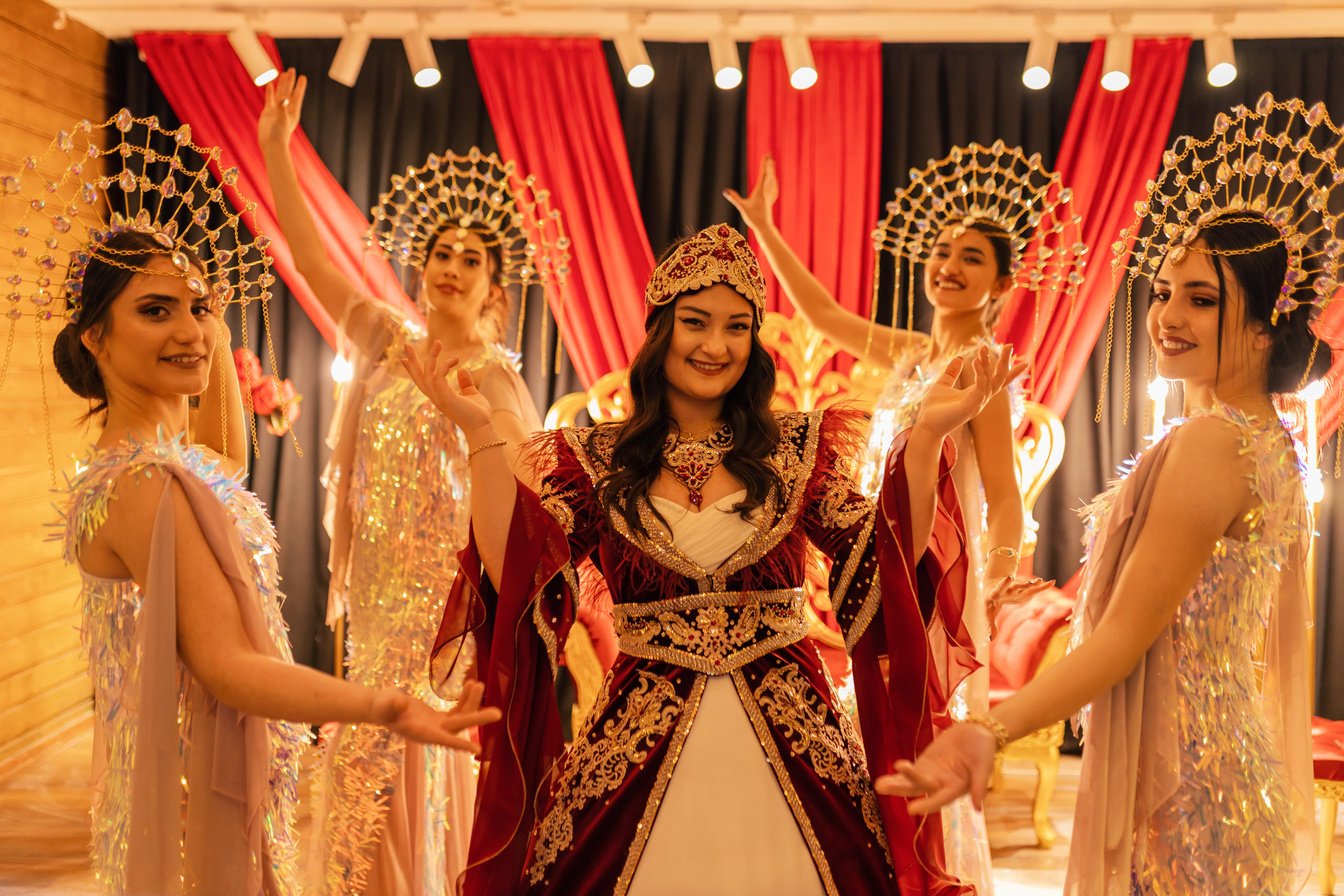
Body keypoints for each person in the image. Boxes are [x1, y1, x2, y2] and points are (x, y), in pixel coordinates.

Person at [403, 222, 1024, 895]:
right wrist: (475, 430)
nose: (715, 345)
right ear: (661, 331)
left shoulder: (795, 450)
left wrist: (928, 436)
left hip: (795, 732)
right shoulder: (599, 460)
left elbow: (887, 559)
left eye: (735, 328)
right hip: (636, 738)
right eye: (695, 322)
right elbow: (516, 570)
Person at [4, 112, 501, 896]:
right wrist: (388, 708)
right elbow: (228, 666)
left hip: (228, 759)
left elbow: (228, 461)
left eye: (196, 308)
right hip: (189, 779)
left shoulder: (169, 466)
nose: (191, 331)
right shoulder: (141, 485)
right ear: (94, 338)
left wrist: (206, 312)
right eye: (153, 311)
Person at [879, 97, 1332, 896]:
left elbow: (1123, 639)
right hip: (1218, 764)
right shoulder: (1268, 439)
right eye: (1163, 292)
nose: (1166, 316)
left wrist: (987, 729)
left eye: (1202, 299)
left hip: (1184, 778)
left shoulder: (1210, 444)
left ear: (1265, 327)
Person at [257, 69, 572, 894]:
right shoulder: (385, 342)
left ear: (494, 291)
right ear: (420, 266)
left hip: (448, 609)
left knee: (434, 777)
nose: (452, 267)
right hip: (377, 601)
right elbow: (314, 259)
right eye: (440, 253)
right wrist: (274, 155)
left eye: (471, 259)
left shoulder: (494, 378)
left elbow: (528, 497)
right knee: (366, 770)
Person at [728, 148, 1076, 892]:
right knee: (877, 733)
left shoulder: (982, 369)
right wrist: (764, 227)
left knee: (927, 734)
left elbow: (1006, 496)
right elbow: (819, 314)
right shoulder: (916, 354)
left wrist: (1002, 573)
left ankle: (939, 875)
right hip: (885, 561)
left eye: (971, 258)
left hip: (942, 583)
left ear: (1002, 284)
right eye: (943, 253)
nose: (949, 266)